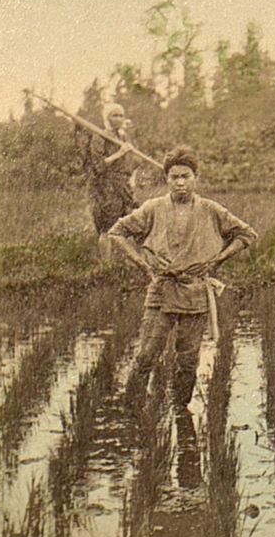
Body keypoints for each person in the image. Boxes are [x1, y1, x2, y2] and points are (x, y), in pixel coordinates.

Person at [109, 145, 258, 412]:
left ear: (195, 178)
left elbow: (246, 235)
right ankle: (132, 413)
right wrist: (143, 264)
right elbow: (117, 232)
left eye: (185, 176)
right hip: (162, 289)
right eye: (174, 177)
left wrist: (216, 260)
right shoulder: (153, 208)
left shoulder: (210, 210)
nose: (179, 182)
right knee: (146, 355)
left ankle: (180, 411)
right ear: (166, 179)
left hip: (195, 293)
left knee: (188, 361)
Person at [83, 102, 139, 260]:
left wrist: (131, 180)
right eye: (115, 115)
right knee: (107, 228)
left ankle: (132, 262)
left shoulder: (123, 137)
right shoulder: (99, 136)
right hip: (107, 186)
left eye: (121, 115)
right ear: (107, 118)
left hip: (124, 185)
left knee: (131, 224)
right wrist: (120, 153)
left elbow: (131, 163)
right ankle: (106, 266)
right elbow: (98, 165)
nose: (119, 118)